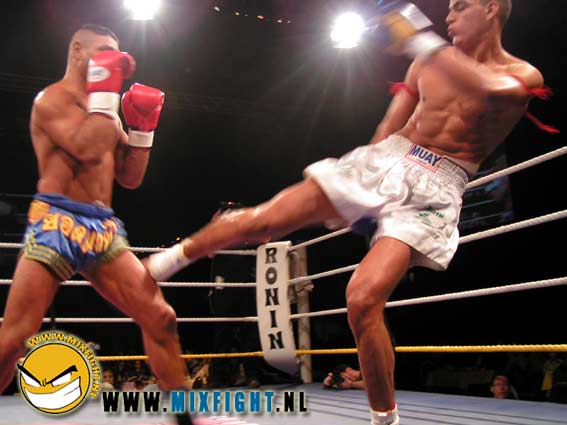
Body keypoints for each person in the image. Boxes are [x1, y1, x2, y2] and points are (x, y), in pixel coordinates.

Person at [146, 1, 546, 423]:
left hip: (438, 184)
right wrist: (359, 191)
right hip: (387, 157)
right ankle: (154, 268)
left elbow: (486, 90)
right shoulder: (427, 62)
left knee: (363, 299)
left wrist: (418, 38)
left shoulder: (520, 75)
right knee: (262, 220)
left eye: (460, 6)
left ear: (491, 7)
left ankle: (384, 419)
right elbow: (389, 128)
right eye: (447, 9)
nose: (449, 16)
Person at [0, 24, 192, 424]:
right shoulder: (52, 100)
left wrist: (142, 128)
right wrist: (107, 94)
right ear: (76, 51)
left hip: (102, 229)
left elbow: (130, 177)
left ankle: (186, 418)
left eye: (117, 53)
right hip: (56, 222)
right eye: (104, 51)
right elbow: (88, 147)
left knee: (161, 317)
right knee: (15, 338)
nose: (115, 60)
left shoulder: (108, 110)